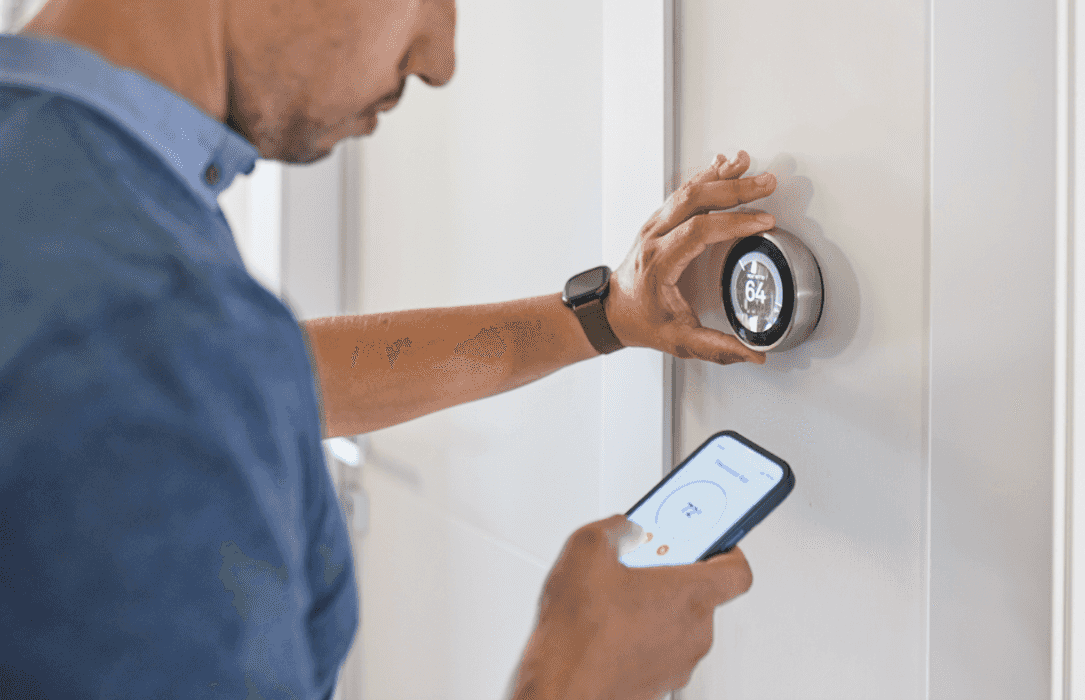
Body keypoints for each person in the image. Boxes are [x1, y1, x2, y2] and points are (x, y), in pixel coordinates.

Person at [0, 0, 779, 697]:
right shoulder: (146, 323)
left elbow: (270, 384)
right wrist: (577, 679)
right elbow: (181, 373)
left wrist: (604, 314)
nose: (439, 59)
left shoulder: (55, 197)